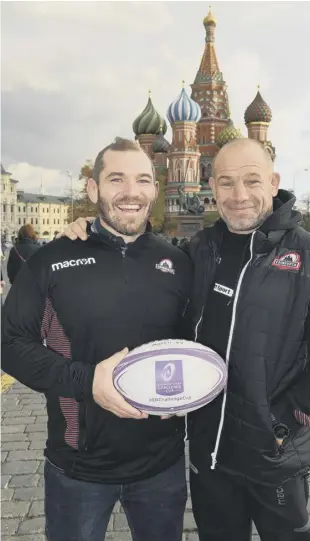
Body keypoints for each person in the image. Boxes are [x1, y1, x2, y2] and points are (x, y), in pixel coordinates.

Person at [61, 138, 310, 541]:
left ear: (273, 182)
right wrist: (92, 230)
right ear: (212, 187)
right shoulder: (201, 250)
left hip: (273, 459)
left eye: (252, 180)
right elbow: (152, 279)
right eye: (226, 183)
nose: (239, 196)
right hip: (209, 456)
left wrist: (286, 419)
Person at [1, 138, 192, 541]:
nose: (130, 192)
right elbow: (10, 344)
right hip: (78, 471)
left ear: (154, 190)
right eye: (116, 179)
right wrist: (86, 381)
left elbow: (196, 343)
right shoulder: (51, 261)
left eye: (142, 180)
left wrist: (189, 392)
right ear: (93, 189)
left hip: (163, 466)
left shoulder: (177, 262)